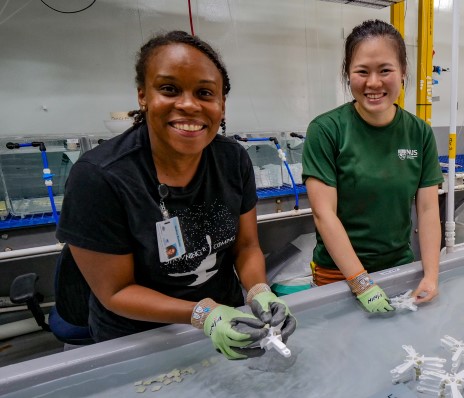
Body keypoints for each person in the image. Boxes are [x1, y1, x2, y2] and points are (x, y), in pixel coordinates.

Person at [56, 31, 295, 359]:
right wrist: (202, 315)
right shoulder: (100, 177)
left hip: (228, 321)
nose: (188, 104)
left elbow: (247, 246)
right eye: (169, 89)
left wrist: (258, 290)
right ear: (143, 95)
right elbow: (115, 291)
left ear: (221, 104)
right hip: (139, 336)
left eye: (204, 93)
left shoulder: (232, 159)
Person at [302, 20, 444, 313]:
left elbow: (428, 210)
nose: (373, 83)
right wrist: (360, 282)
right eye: (362, 71)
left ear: (403, 72)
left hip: (398, 269)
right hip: (337, 275)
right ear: (347, 74)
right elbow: (323, 213)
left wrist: (430, 274)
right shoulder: (327, 130)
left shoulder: (419, 133)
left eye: (385, 70)